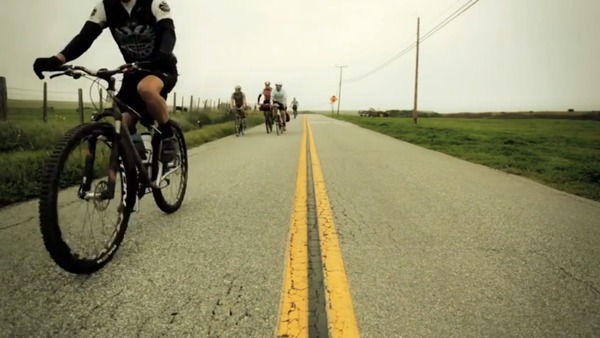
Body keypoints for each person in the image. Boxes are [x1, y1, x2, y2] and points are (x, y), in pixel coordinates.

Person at [32, 0, 179, 163]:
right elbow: (85, 37)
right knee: (121, 123)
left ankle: (168, 137)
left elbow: (168, 32)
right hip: (133, 72)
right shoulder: (106, 7)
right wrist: (57, 59)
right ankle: (138, 166)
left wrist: (163, 54)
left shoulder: (154, 3)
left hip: (160, 67)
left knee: (146, 89)